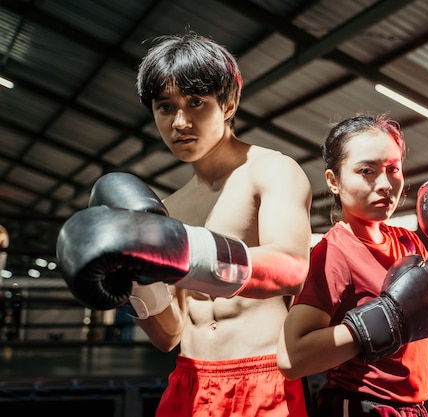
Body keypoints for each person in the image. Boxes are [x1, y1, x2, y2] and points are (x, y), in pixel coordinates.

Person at [56, 30, 312, 416]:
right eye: (165, 107)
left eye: (196, 102)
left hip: (261, 378)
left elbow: (293, 269)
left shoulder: (272, 171)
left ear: (229, 102)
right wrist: (132, 284)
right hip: (190, 381)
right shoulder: (167, 208)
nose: (179, 122)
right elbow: (169, 334)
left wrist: (181, 249)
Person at [276, 113, 428, 416]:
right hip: (359, 408)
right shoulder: (334, 252)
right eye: (367, 171)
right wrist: (387, 319)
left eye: (392, 169)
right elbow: (292, 359)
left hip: (414, 410)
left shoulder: (409, 243)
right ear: (334, 181)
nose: (385, 184)